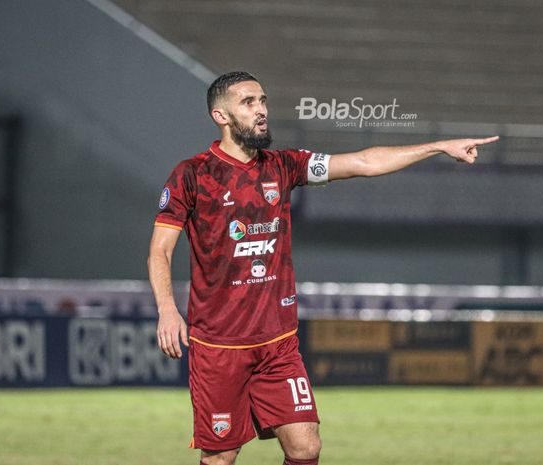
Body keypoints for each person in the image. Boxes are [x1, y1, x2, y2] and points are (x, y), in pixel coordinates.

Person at [148, 71, 499, 465]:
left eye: (263, 100)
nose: (262, 110)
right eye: (248, 102)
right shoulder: (193, 175)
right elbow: (160, 250)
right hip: (219, 347)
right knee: (221, 458)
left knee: (306, 446)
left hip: (278, 345)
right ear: (221, 116)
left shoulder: (284, 166)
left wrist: (439, 146)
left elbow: (365, 162)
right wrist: (166, 309)